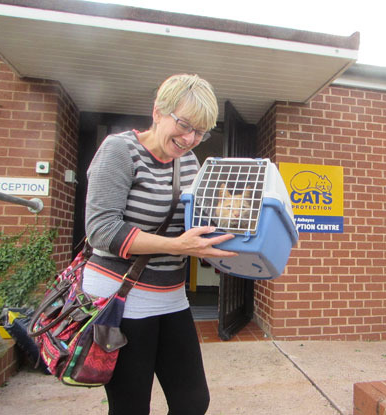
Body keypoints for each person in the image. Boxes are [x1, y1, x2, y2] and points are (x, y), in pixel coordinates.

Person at [82, 73, 237, 415]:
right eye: (184, 124)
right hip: (119, 297)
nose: (190, 138)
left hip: (170, 296)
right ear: (157, 112)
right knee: (131, 406)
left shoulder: (188, 163)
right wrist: (179, 247)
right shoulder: (119, 150)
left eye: (200, 131)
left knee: (193, 401)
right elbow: (102, 230)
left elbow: (202, 216)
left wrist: (233, 211)